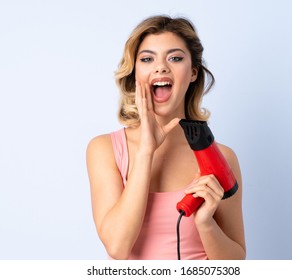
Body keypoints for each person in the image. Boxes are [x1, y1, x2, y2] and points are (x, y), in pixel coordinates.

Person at [86, 15, 245, 260]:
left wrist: (206, 224)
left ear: (192, 73)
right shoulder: (105, 149)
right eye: (147, 59)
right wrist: (146, 151)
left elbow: (236, 261)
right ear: (136, 73)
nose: (161, 67)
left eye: (175, 58)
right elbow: (117, 247)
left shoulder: (221, 157)